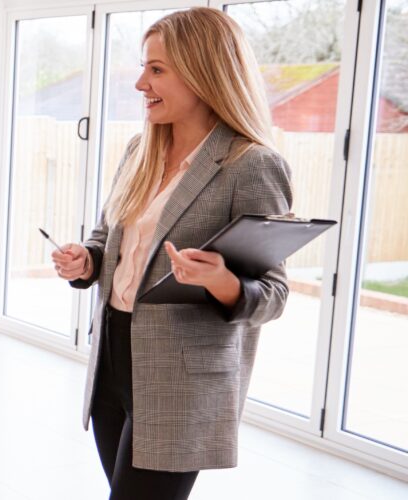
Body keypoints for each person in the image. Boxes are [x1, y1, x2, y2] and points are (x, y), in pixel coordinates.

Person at [50, 8, 292, 500]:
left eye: (157, 69)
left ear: (204, 73)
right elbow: (106, 240)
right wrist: (88, 262)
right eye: (144, 67)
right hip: (114, 358)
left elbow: (273, 293)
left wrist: (220, 280)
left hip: (183, 379)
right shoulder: (140, 151)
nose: (140, 83)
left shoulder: (250, 165)